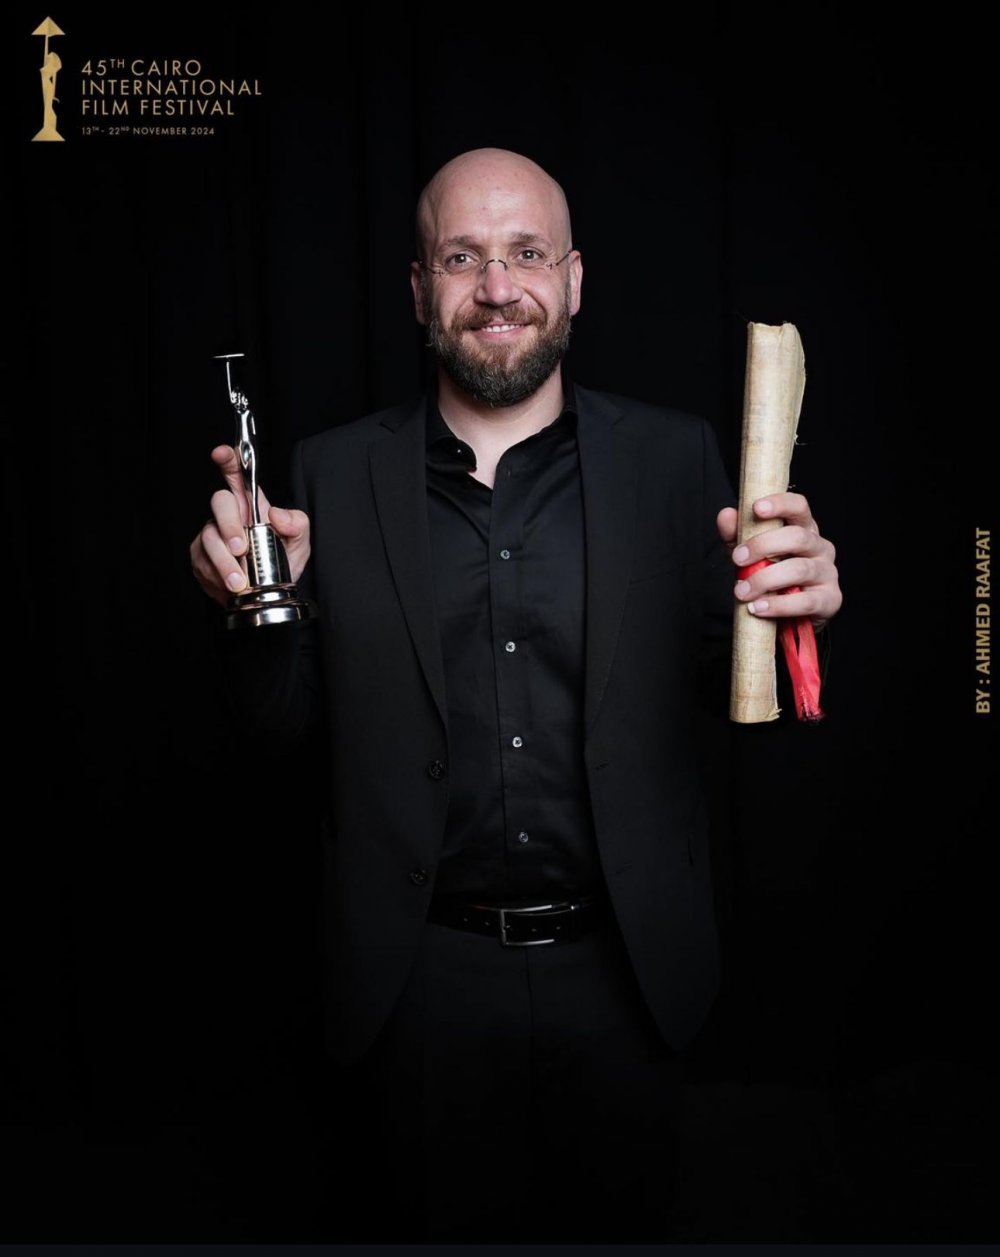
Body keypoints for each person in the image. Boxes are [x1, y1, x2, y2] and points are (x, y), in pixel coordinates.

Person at [191, 147, 842, 1242]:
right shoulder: (328, 477)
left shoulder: (677, 461)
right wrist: (254, 611)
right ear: (419, 291)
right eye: (462, 258)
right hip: (414, 989)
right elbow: (276, 734)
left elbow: (736, 698)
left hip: (628, 981)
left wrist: (801, 618)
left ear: (573, 280)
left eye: (526, 253)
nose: (497, 287)